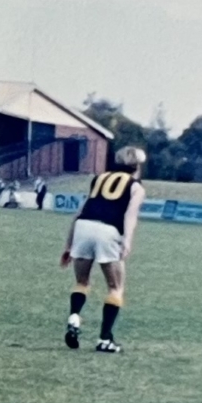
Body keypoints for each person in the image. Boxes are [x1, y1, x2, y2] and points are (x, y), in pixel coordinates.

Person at [60, 146, 148, 353]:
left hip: (83, 226)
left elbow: (80, 211)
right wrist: (127, 240)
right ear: (137, 165)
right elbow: (130, 215)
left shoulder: (99, 179)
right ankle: (104, 339)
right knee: (115, 287)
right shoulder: (136, 187)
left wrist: (68, 244)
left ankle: (74, 317)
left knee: (81, 282)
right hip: (108, 231)